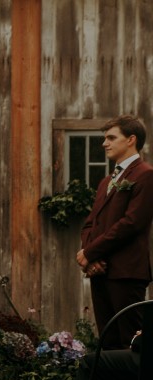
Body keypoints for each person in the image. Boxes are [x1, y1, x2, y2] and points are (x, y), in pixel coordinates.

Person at [77, 115, 153, 349]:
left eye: (111, 137)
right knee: (108, 340)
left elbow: (132, 223)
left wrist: (89, 252)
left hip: (126, 272)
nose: (104, 143)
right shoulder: (106, 182)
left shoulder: (146, 175)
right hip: (100, 271)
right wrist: (91, 259)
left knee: (130, 340)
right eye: (104, 138)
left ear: (131, 140)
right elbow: (91, 222)